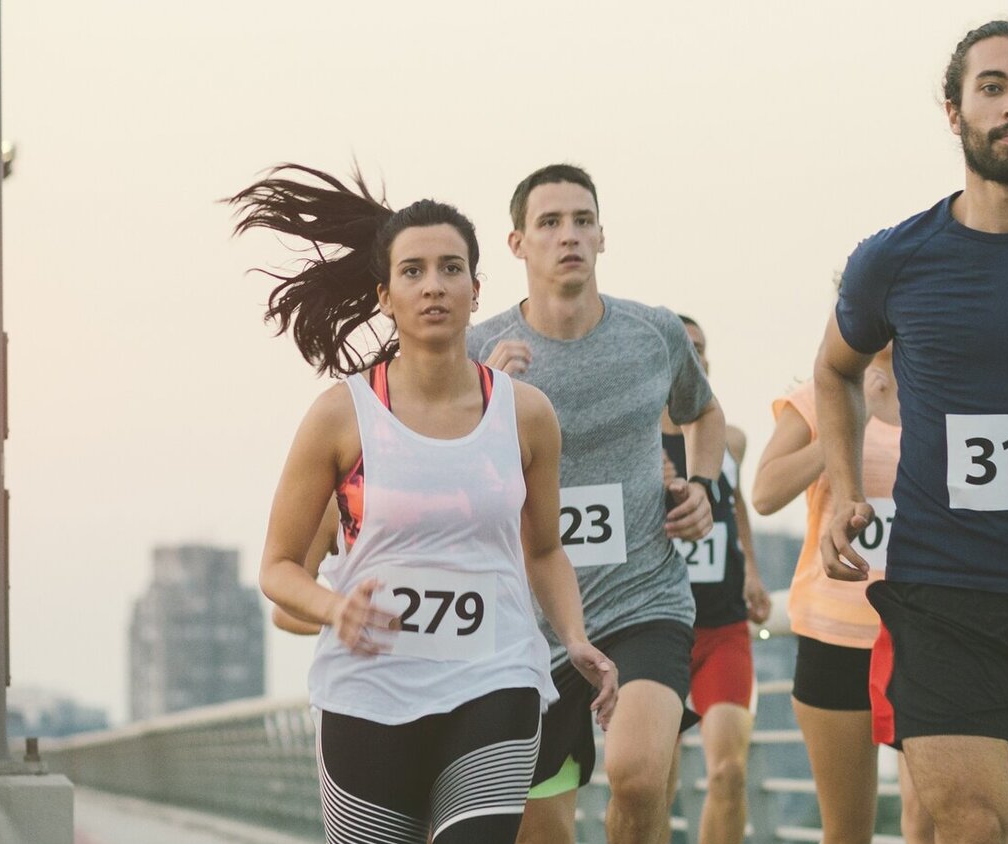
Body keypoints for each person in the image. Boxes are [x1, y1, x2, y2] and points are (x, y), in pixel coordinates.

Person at [227, 165, 618, 844]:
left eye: (451, 268)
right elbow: (279, 566)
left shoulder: (527, 415)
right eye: (413, 271)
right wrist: (335, 607)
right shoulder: (339, 416)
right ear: (386, 296)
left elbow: (545, 549)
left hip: (495, 679)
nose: (434, 284)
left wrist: (576, 638)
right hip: (369, 693)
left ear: (476, 288)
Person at [816, 21, 1008, 844]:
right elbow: (834, 370)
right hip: (946, 593)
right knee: (969, 821)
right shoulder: (896, 259)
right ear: (954, 111)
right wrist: (841, 491)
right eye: (994, 87)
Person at [466, 164, 726, 844]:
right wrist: (486, 399)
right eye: (549, 223)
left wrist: (702, 486)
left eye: (582, 220)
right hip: (529, 626)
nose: (568, 236)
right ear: (517, 243)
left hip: (644, 600)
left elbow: (703, 413)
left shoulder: (653, 333)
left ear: (603, 236)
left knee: (639, 775)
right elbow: (433, 466)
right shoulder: (475, 352)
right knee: (543, 832)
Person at [752, 343, 932, 844]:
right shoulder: (819, 394)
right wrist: (848, 423)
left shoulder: (942, 386)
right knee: (848, 831)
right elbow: (766, 493)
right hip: (838, 636)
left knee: (933, 819)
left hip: (928, 634)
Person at [659, 314, 770, 844]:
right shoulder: (636, 444)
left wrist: (750, 565)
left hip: (724, 626)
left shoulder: (732, 439)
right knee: (655, 780)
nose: (694, 357)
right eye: (683, 348)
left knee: (728, 772)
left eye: (701, 349)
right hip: (657, 629)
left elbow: (735, 504)